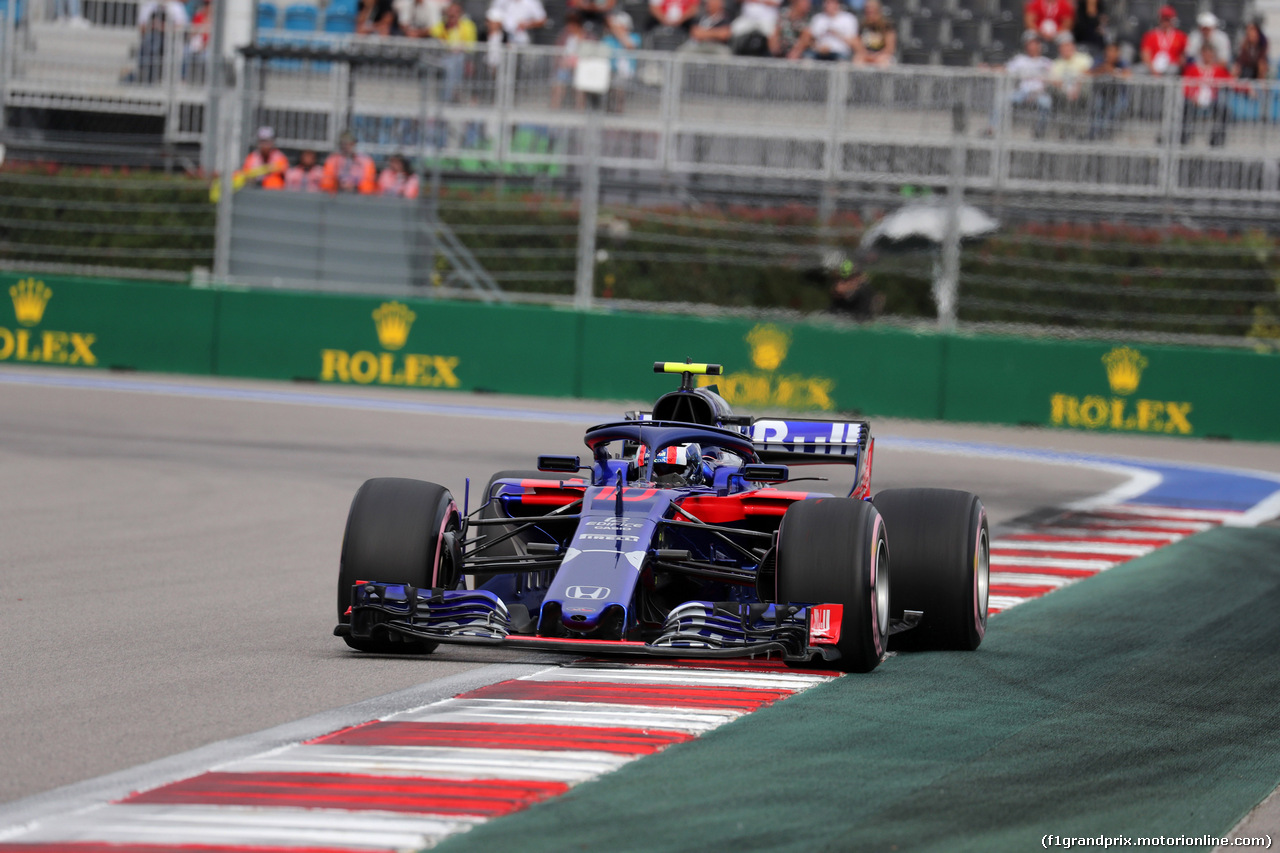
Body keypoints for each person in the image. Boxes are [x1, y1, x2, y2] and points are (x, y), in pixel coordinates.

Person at [991, 31, 1053, 137]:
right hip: (1022, 92)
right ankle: (992, 129)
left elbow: (1053, 79)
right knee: (1001, 98)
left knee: (1046, 102)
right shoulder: (1020, 60)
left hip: (1039, 93)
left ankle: (1040, 131)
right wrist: (989, 68)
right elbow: (1005, 69)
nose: (1032, 46)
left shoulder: (1046, 62)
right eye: (1029, 43)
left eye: (1034, 43)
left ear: (1039, 45)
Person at [1181, 43, 1231, 146]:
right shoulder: (1192, 69)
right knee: (1185, 107)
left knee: (1223, 109)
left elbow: (1230, 82)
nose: (1207, 56)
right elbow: (1185, 86)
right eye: (1205, 53)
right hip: (1194, 99)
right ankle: (1184, 138)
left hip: (1212, 100)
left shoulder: (1218, 70)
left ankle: (1217, 140)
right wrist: (1192, 96)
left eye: (1209, 53)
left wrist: (1248, 89)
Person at [429, 2, 477, 104]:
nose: (452, 18)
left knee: (455, 61)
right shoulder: (442, 25)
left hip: (460, 58)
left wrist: (456, 48)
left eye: (455, 15)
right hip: (442, 57)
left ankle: (449, 96)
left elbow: (470, 46)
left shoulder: (468, 26)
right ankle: (453, 93)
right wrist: (447, 30)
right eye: (450, 15)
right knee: (452, 62)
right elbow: (436, 36)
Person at [1047, 31, 1092, 134]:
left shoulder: (1083, 59)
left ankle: (1074, 128)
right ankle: (1066, 128)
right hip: (1063, 93)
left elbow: (1086, 74)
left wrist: (1075, 89)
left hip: (1080, 91)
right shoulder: (1056, 63)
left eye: (1067, 45)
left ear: (1072, 45)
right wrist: (1067, 90)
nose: (1065, 48)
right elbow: (1054, 80)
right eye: (1063, 46)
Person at [1088, 39, 1130, 139]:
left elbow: (1128, 75)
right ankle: (1094, 134)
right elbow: (1087, 73)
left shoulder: (1122, 62)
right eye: (1108, 51)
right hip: (1101, 93)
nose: (1110, 54)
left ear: (1118, 52)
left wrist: (1112, 71)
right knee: (1097, 107)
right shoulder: (1099, 61)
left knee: (1116, 108)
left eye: (1113, 51)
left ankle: (1106, 133)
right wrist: (1101, 69)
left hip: (1118, 94)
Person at [788, 0, 858, 61]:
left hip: (840, 52)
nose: (826, 5)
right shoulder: (818, 18)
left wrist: (836, 34)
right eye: (825, 2)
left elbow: (854, 41)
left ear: (837, 4)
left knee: (842, 61)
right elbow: (811, 40)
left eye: (830, 2)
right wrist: (818, 48)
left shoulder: (849, 19)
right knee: (807, 57)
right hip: (819, 52)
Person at [485, 0, 546, 67]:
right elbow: (493, 15)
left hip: (520, 37)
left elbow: (542, 20)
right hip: (501, 35)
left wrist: (526, 24)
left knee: (519, 63)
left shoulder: (532, 2)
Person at [550, 11, 585, 110]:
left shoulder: (586, 36)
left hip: (580, 68)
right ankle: (554, 110)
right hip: (564, 66)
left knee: (580, 89)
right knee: (558, 86)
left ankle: (580, 112)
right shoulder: (564, 36)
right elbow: (558, 52)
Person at [1140, 6, 1186, 75]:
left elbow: (1182, 56)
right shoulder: (1150, 35)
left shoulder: (1180, 36)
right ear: (1160, 19)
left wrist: (1180, 65)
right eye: (1163, 19)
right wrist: (1152, 69)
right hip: (1152, 65)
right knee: (1139, 70)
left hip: (1170, 66)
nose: (1165, 22)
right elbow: (1145, 53)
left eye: (1168, 19)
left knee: (1173, 69)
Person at [853, 0, 894, 65]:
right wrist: (867, 55)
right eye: (867, 8)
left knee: (883, 62)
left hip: (882, 55)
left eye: (871, 8)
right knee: (858, 60)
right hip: (865, 54)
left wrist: (877, 56)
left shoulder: (886, 25)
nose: (869, 10)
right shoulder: (862, 25)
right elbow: (858, 44)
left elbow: (890, 47)